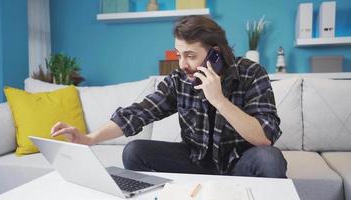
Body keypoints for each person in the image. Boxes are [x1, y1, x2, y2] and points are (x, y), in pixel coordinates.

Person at [51, 15, 287, 178]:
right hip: (194, 162)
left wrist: (219, 100)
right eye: (179, 54)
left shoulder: (252, 73)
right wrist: (90, 138)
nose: (182, 64)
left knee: (270, 159)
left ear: (215, 54)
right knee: (134, 151)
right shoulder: (179, 80)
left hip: (239, 162)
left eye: (190, 55)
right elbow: (138, 113)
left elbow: (264, 137)